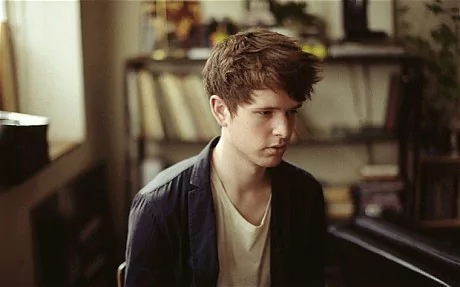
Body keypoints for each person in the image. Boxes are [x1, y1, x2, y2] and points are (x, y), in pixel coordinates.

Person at [124, 27, 325, 287]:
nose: (285, 131)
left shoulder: (305, 194)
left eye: (291, 112)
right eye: (265, 113)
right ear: (221, 111)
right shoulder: (159, 206)